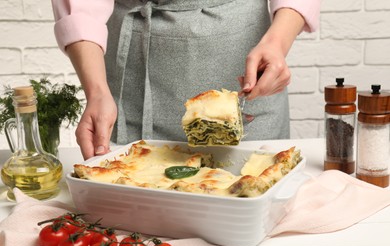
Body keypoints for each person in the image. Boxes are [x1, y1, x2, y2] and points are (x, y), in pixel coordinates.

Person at [51, 0, 320, 160]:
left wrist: (277, 42)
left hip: (244, 55)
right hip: (135, 74)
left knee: (252, 183)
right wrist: (97, 92)